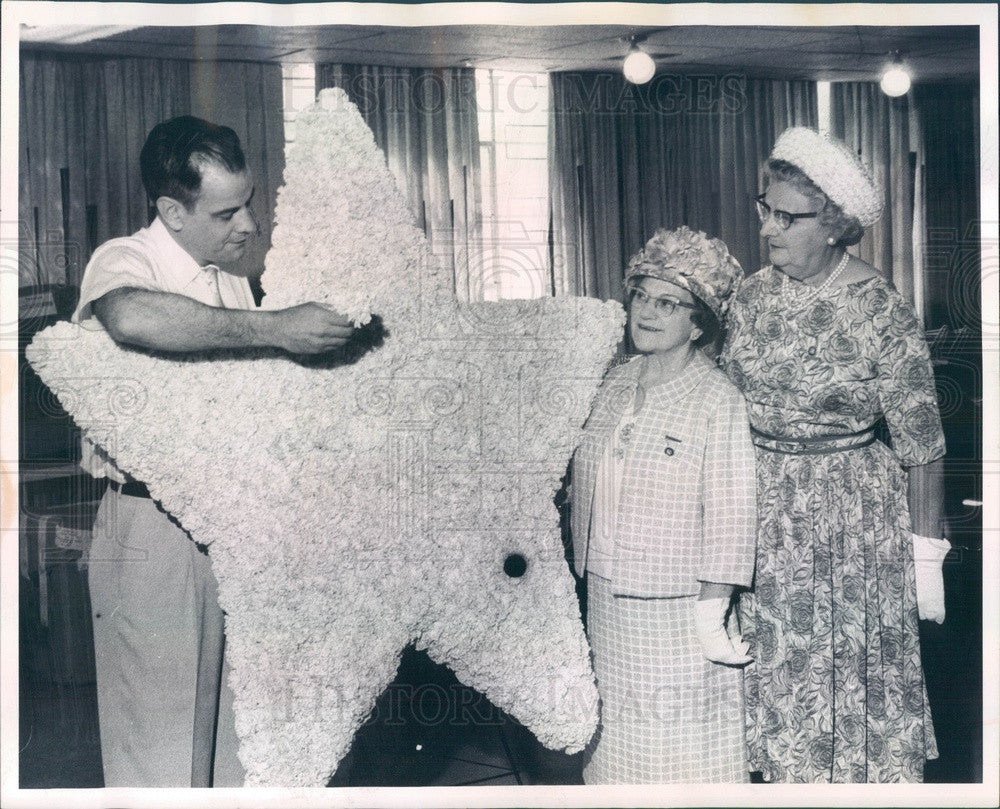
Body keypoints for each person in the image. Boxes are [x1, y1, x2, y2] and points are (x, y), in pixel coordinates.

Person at [73, 115, 356, 787]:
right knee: (160, 747)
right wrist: (275, 327)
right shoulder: (125, 260)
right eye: (227, 211)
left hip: (232, 523)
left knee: (240, 744)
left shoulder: (230, 282)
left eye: (248, 203)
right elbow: (135, 317)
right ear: (171, 210)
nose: (249, 225)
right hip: (153, 532)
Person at [720, 126, 949, 783]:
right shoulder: (751, 296)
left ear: (834, 223)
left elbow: (923, 440)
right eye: (764, 208)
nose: (767, 228)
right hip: (765, 515)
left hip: (852, 524)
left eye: (786, 216)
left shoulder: (881, 308)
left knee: (845, 678)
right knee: (773, 671)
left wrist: (925, 558)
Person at [571, 226, 756, 783]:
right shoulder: (611, 383)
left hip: (678, 610)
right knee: (614, 752)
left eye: (669, 303)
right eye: (641, 296)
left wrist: (711, 614)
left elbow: (732, 514)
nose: (647, 312)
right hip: (605, 595)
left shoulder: (715, 399)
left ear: (698, 322)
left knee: (675, 757)